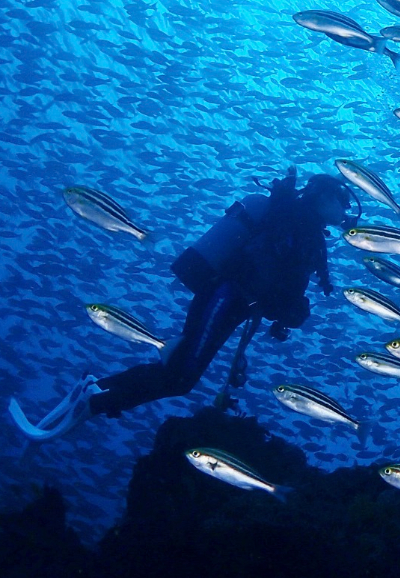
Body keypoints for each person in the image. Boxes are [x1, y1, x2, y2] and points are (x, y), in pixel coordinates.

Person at [10, 169, 356, 440]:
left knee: (179, 374)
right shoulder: (291, 223)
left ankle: (98, 392)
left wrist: (285, 310)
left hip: (233, 304)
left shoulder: (301, 230)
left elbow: (279, 287)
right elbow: (269, 280)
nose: (344, 212)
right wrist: (288, 310)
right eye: (339, 202)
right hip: (223, 298)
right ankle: (96, 398)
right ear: (321, 197)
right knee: (180, 376)